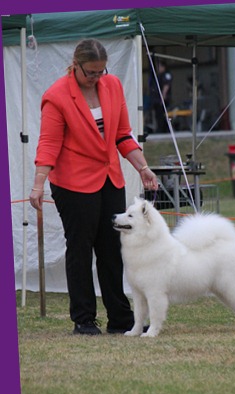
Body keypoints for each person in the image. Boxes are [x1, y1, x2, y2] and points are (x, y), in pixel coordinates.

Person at [29, 39, 158, 336]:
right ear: (75, 66)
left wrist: (143, 167)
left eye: (101, 72)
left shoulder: (112, 86)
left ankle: (121, 319)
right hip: (73, 182)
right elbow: (49, 144)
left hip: (110, 177)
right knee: (80, 249)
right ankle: (84, 319)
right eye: (90, 73)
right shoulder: (56, 97)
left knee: (112, 249)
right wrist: (38, 184)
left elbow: (123, 135)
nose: (96, 78)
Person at [149, 60, 173, 133]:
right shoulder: (159, 76)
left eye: (159, 66)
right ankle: (160, 129)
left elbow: (166, 86)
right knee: (158, 115)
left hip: (162, 100)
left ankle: (163, 130)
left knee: (162, 115)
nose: (158, 68)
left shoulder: (166, 75)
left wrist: (163, 97)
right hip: (157, 100)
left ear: (163, 67)